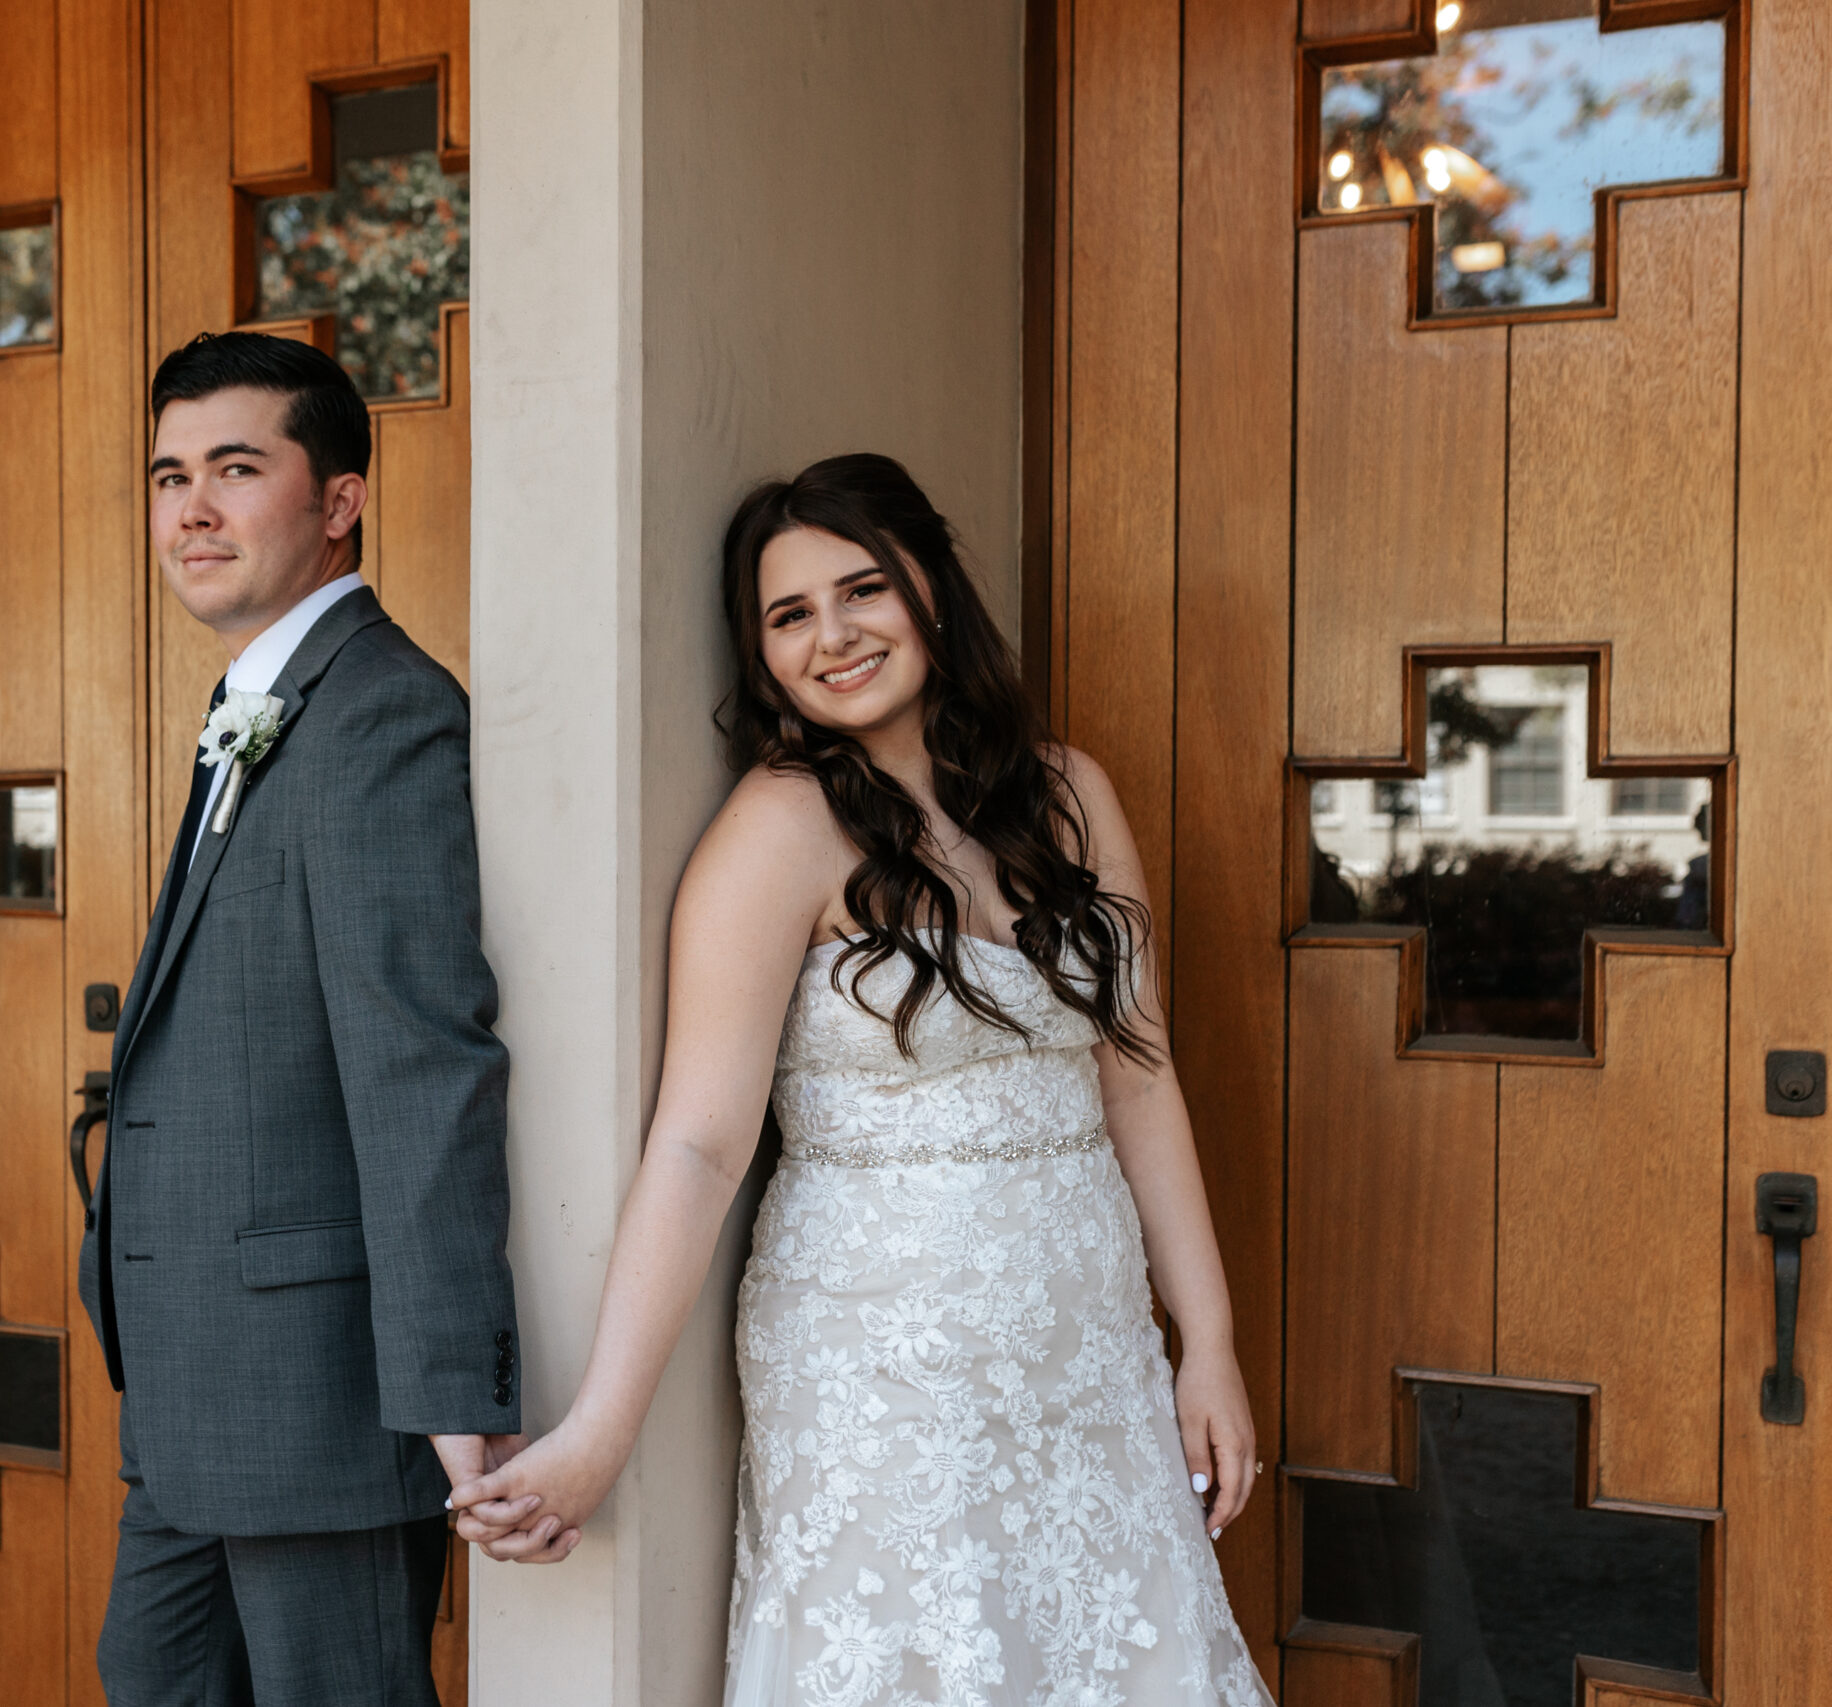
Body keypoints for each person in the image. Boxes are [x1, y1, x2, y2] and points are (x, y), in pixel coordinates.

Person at [447, 455, 1272, 1705]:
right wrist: (597, 1435)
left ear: (931, 587)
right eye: (788, 617)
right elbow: (696, 1149)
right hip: (881, 1366)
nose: (831, 638)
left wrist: (1200, 1340)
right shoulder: (773, 831)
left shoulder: (1068, 794)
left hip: (1090, 1346)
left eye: (861, 590)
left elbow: (1138, 1080)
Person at [81, 331, 524, 1706]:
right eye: (169, 475)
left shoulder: (383, 714)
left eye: (234, 467)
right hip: (195, 1383)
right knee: (147, 1674)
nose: (191, 508)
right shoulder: (259, 700)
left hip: (319, 1398)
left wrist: (457, 1392)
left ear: (339, 500)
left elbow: (419, 1063)